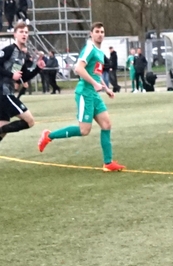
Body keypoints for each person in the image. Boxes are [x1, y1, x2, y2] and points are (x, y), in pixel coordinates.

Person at [37, 22, 124, 172]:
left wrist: (105, 88)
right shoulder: (89, 48)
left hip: (94, 94)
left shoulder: (99, 52)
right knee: (84, 130)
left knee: (106, 125)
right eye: (97, 31)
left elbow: (96, 74)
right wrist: (94, 84)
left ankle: (108, 163)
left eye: (102, 32)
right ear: (91, 34)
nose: (100, 34)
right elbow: (78, 69)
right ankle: (49, 136)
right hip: (85, 92)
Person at [0, 22, 43, 144]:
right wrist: (11, 75)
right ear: (15, 35)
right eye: (21, 32)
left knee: (3, 129)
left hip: (7, 92)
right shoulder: (9, 50)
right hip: (3, 92)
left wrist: (38, 68)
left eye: (26, 32)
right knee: (29, 121)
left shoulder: (22, 55)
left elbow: (22, 78)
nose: (24, 34)